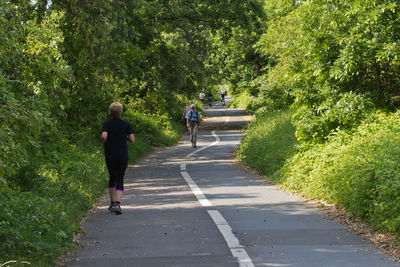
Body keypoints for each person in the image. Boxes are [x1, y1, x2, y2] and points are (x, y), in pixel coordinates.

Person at [101, 102, 135, 215]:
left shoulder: (107, 123)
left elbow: (104, 136)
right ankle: (118, 204)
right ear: (121, 112)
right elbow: (132, 139)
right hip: (122, 155)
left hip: (110, 154)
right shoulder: (126, 124)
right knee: (120, 178)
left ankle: (113, 203)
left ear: (110, 112)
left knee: (112, 176)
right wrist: (124, 137)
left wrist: (104, 141)